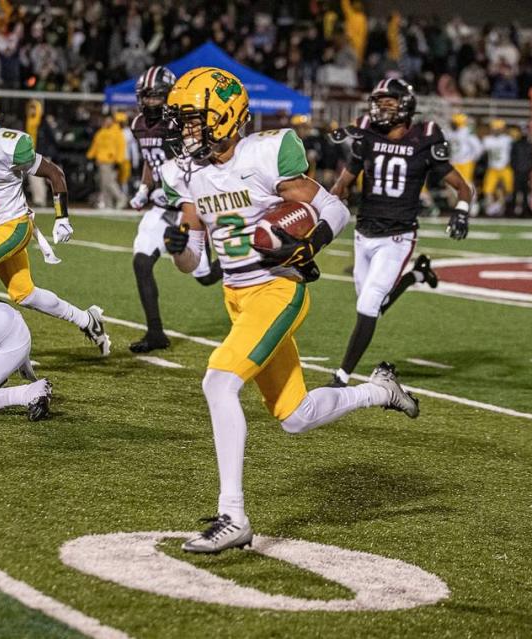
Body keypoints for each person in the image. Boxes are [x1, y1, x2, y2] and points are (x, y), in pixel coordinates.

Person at [161, 67, 420, 554]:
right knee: (295, 416)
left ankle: (232, 515)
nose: (184, 130)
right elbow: (193, 263)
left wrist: (309, 246)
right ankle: (378, 392)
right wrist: (178, 246)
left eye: (192, 120)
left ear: (224, 116)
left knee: (218, 380)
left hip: (277, 289)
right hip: (237, 296)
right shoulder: (186, 173)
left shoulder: (263, 154)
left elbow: (336, 208)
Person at [0, 89, 111, 356]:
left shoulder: (9, 145)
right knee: (24, 293)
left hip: (13, 226)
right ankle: (87, 320)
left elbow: (54, 173)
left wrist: (62, 217)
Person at [327, 78, 473, 388]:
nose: (381, 108)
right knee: (373, 307)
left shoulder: (424, 138)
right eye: (378, 102)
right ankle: (417, 275)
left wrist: (461, 211)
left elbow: (462, 187)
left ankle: (341, 376)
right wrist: (328, 202)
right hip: (363, 231)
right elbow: (344, 182)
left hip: (397, 235)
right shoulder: (366, 133)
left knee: (368, 307)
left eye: (389, 102)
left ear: (405, 106)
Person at [128, 65, 222, 353]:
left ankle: (239, 261)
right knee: (141, 262)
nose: (150, 103)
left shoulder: (182, 124)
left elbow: (201, 163)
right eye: (146, 96)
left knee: (204, 277)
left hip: (186, 205)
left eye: (156, 97)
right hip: (160, 205)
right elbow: (149, 159)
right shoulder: (138, 124)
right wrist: (144, 189)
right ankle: (155, 332)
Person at [85, 114, 127, 209]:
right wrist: (90, 156)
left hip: (110, 161)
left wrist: (118, 161)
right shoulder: (100, 132)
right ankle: (108, 205)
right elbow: (95, 146)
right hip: (100, 161)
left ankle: (121, 198)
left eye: (109, 120)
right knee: (103, 184)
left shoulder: (116, 132)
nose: (107, 122)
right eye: (106, 120)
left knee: (109, 182)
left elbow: (121, 147)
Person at [481, 119, 513, 215]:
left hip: (505, 168)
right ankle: (492, 207)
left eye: (498, 128)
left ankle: (500, 207)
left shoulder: (508, 139)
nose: (496, 130)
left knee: (509, 191)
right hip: (492, 168)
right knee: (487, 190)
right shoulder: (488, 139)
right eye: (495, 128)